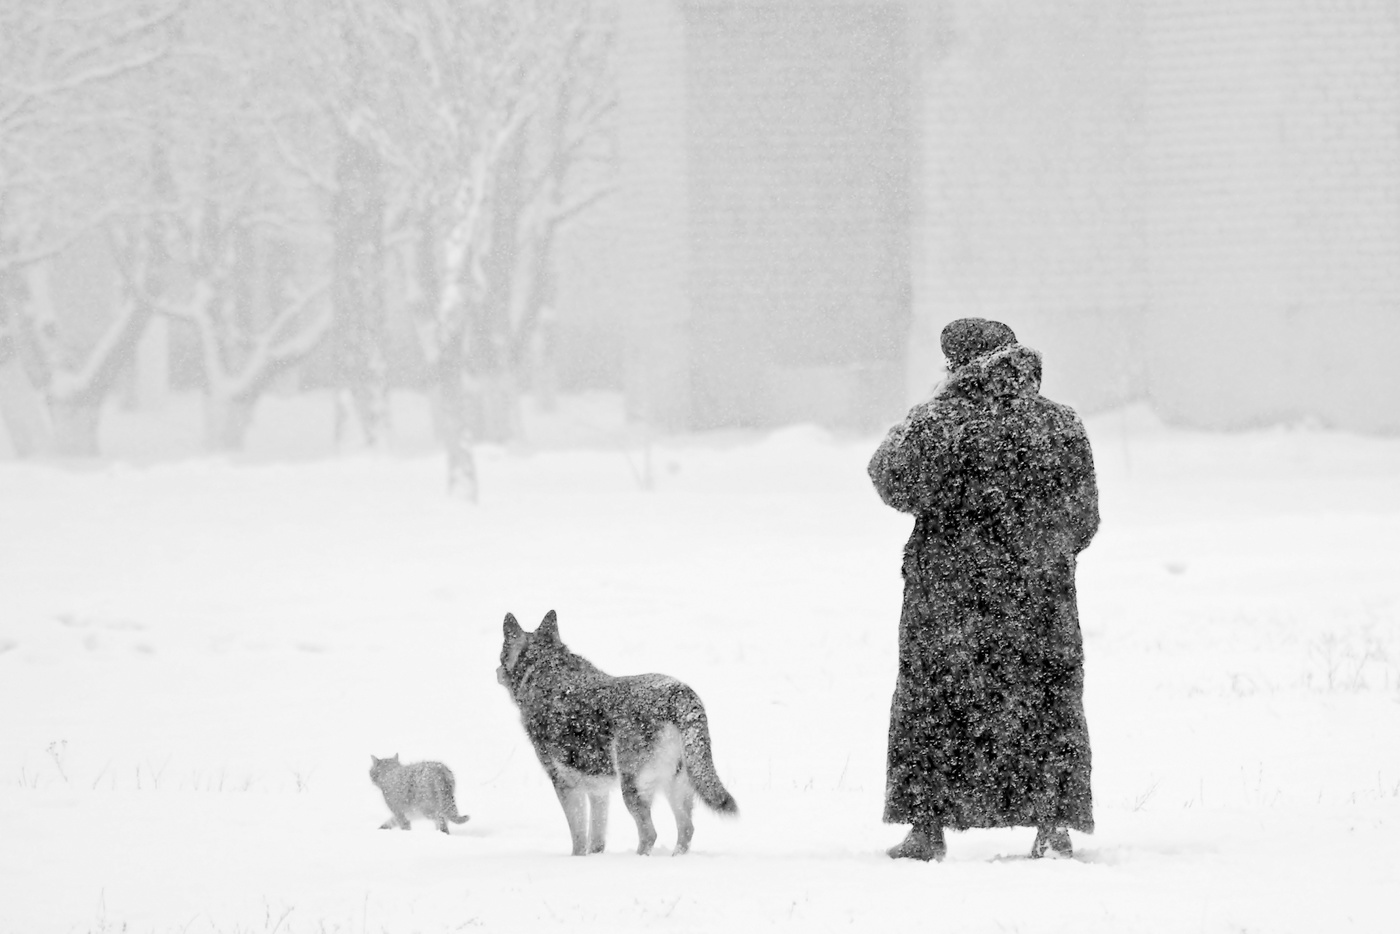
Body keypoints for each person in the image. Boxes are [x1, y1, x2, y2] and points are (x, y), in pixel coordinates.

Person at [868, 318, 1100, 861]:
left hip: (949, 599)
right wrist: (1036, 554)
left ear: (953, 364)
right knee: (1046, 703)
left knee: (935, 703)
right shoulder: (1060, 424)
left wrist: (928, 406)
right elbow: (1083, 520)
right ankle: (1052, 828)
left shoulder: (937, 422)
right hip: (1038, 599)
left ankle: (927, 831)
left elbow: (887, 476)